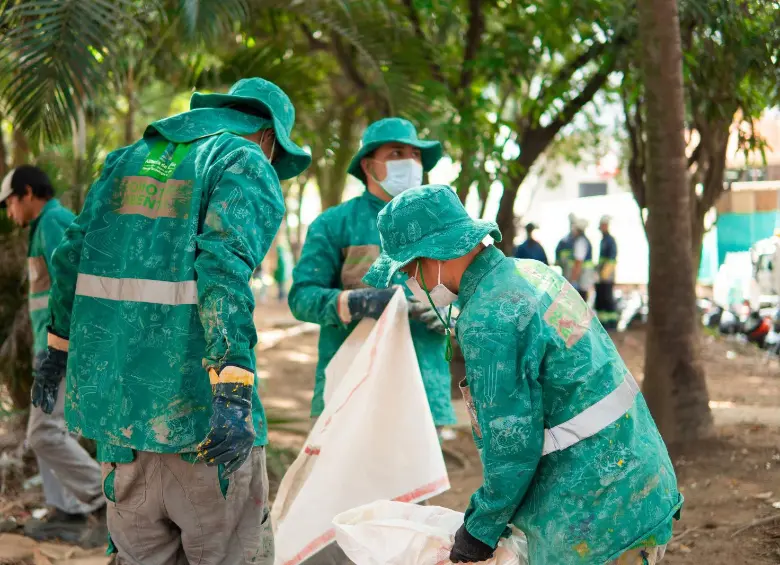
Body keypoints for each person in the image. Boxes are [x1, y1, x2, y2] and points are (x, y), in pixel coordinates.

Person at [32, 78, 311, 565]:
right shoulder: (242, 161)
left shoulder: (124, 161)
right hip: (203, 428)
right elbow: (223, 270)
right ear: (268, 136)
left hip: (121, 431)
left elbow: (67, 258)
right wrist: (232, 387)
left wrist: (56, 349)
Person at [363, 184, 683, 565]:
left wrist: (479, 530)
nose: (409, 281)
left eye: (407, 269)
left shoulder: (489, 318)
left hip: (597, 510)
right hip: (640, 475)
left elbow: (512, 445)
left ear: (434, 255)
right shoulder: (535, 274)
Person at [289, 117, 456, 430]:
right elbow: (301, 297)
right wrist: (355, 302)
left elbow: (467, 291)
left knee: (419, 480)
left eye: (416, 155)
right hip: (352, 387)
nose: (410, 162)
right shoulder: (334, 224)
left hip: (423, 391)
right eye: (396, 153)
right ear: (368, 166)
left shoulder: (442, 228)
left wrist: (452, 312)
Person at [0, 166, 106, 545]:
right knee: (49, 431)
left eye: (10, 202)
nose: (9, 211)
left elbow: (72, 283)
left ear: (28, 193)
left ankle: (105, 501)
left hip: (61, 350)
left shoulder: (53, 221)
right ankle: (67, 511)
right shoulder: (42, 226)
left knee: (43, 433)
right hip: (51, 349)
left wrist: (59, 351)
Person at [595, 215, 618, 330]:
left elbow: (611, 260)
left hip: (607, 277)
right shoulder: (604, 240)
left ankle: (612, 324)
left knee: (608, 300)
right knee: (602, 300)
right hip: (602, 276)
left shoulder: (610, 240)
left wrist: (604, 275)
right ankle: (604, 325)